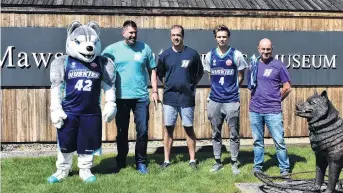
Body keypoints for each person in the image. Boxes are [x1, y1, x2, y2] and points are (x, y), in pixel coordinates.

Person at [102, 20, 159, 174]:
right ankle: (121, 161)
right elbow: (100, 66)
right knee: (122, 132)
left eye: (135, 32)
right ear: (124, 33)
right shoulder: (112, 49)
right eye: (131, 33)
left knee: (143, 131)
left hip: (141, 97)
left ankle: (141, 162)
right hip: (121, 98)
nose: (133, 35)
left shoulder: (145, 48)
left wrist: (154, 91)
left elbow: (152, 70)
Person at [157, 25, 204, 170]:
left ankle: (192, 160)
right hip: (170, 98)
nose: (176, 37)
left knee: (189, 129)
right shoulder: (165, 55)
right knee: (168, 129)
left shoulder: (193, 54)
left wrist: (190, 85)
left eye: (178, 35)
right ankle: (166, 160)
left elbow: (199, 73)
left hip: (187, 98)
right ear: (170, 37)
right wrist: (170, 85)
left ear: (183, 36)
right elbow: (161, 74)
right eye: (173, 35)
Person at [203, 25, 248, 174]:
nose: (222, 39)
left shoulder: (236, 55)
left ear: (228, 38)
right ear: (215, 38)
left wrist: (233, 88)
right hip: (215, 99)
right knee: (216, 132)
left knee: (234, 132)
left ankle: (234, 162)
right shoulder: (210, 56)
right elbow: (210, 77)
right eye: (219, 37)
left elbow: (241, 75)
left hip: (231, 100)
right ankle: (218, 162)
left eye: (224, 37)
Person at [248, 38, 292, 176]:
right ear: (258, 49)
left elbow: (287, 87)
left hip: (273, 110)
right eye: (263, 49)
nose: (265, 52)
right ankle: (258, 167)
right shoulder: (253, 65)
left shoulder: (278, 65)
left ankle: (284, 169)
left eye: (268, 49)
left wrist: (276, 99)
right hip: (255, 109)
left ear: (272, 49)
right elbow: (251, 85)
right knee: (257, 141)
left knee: (279, 141)